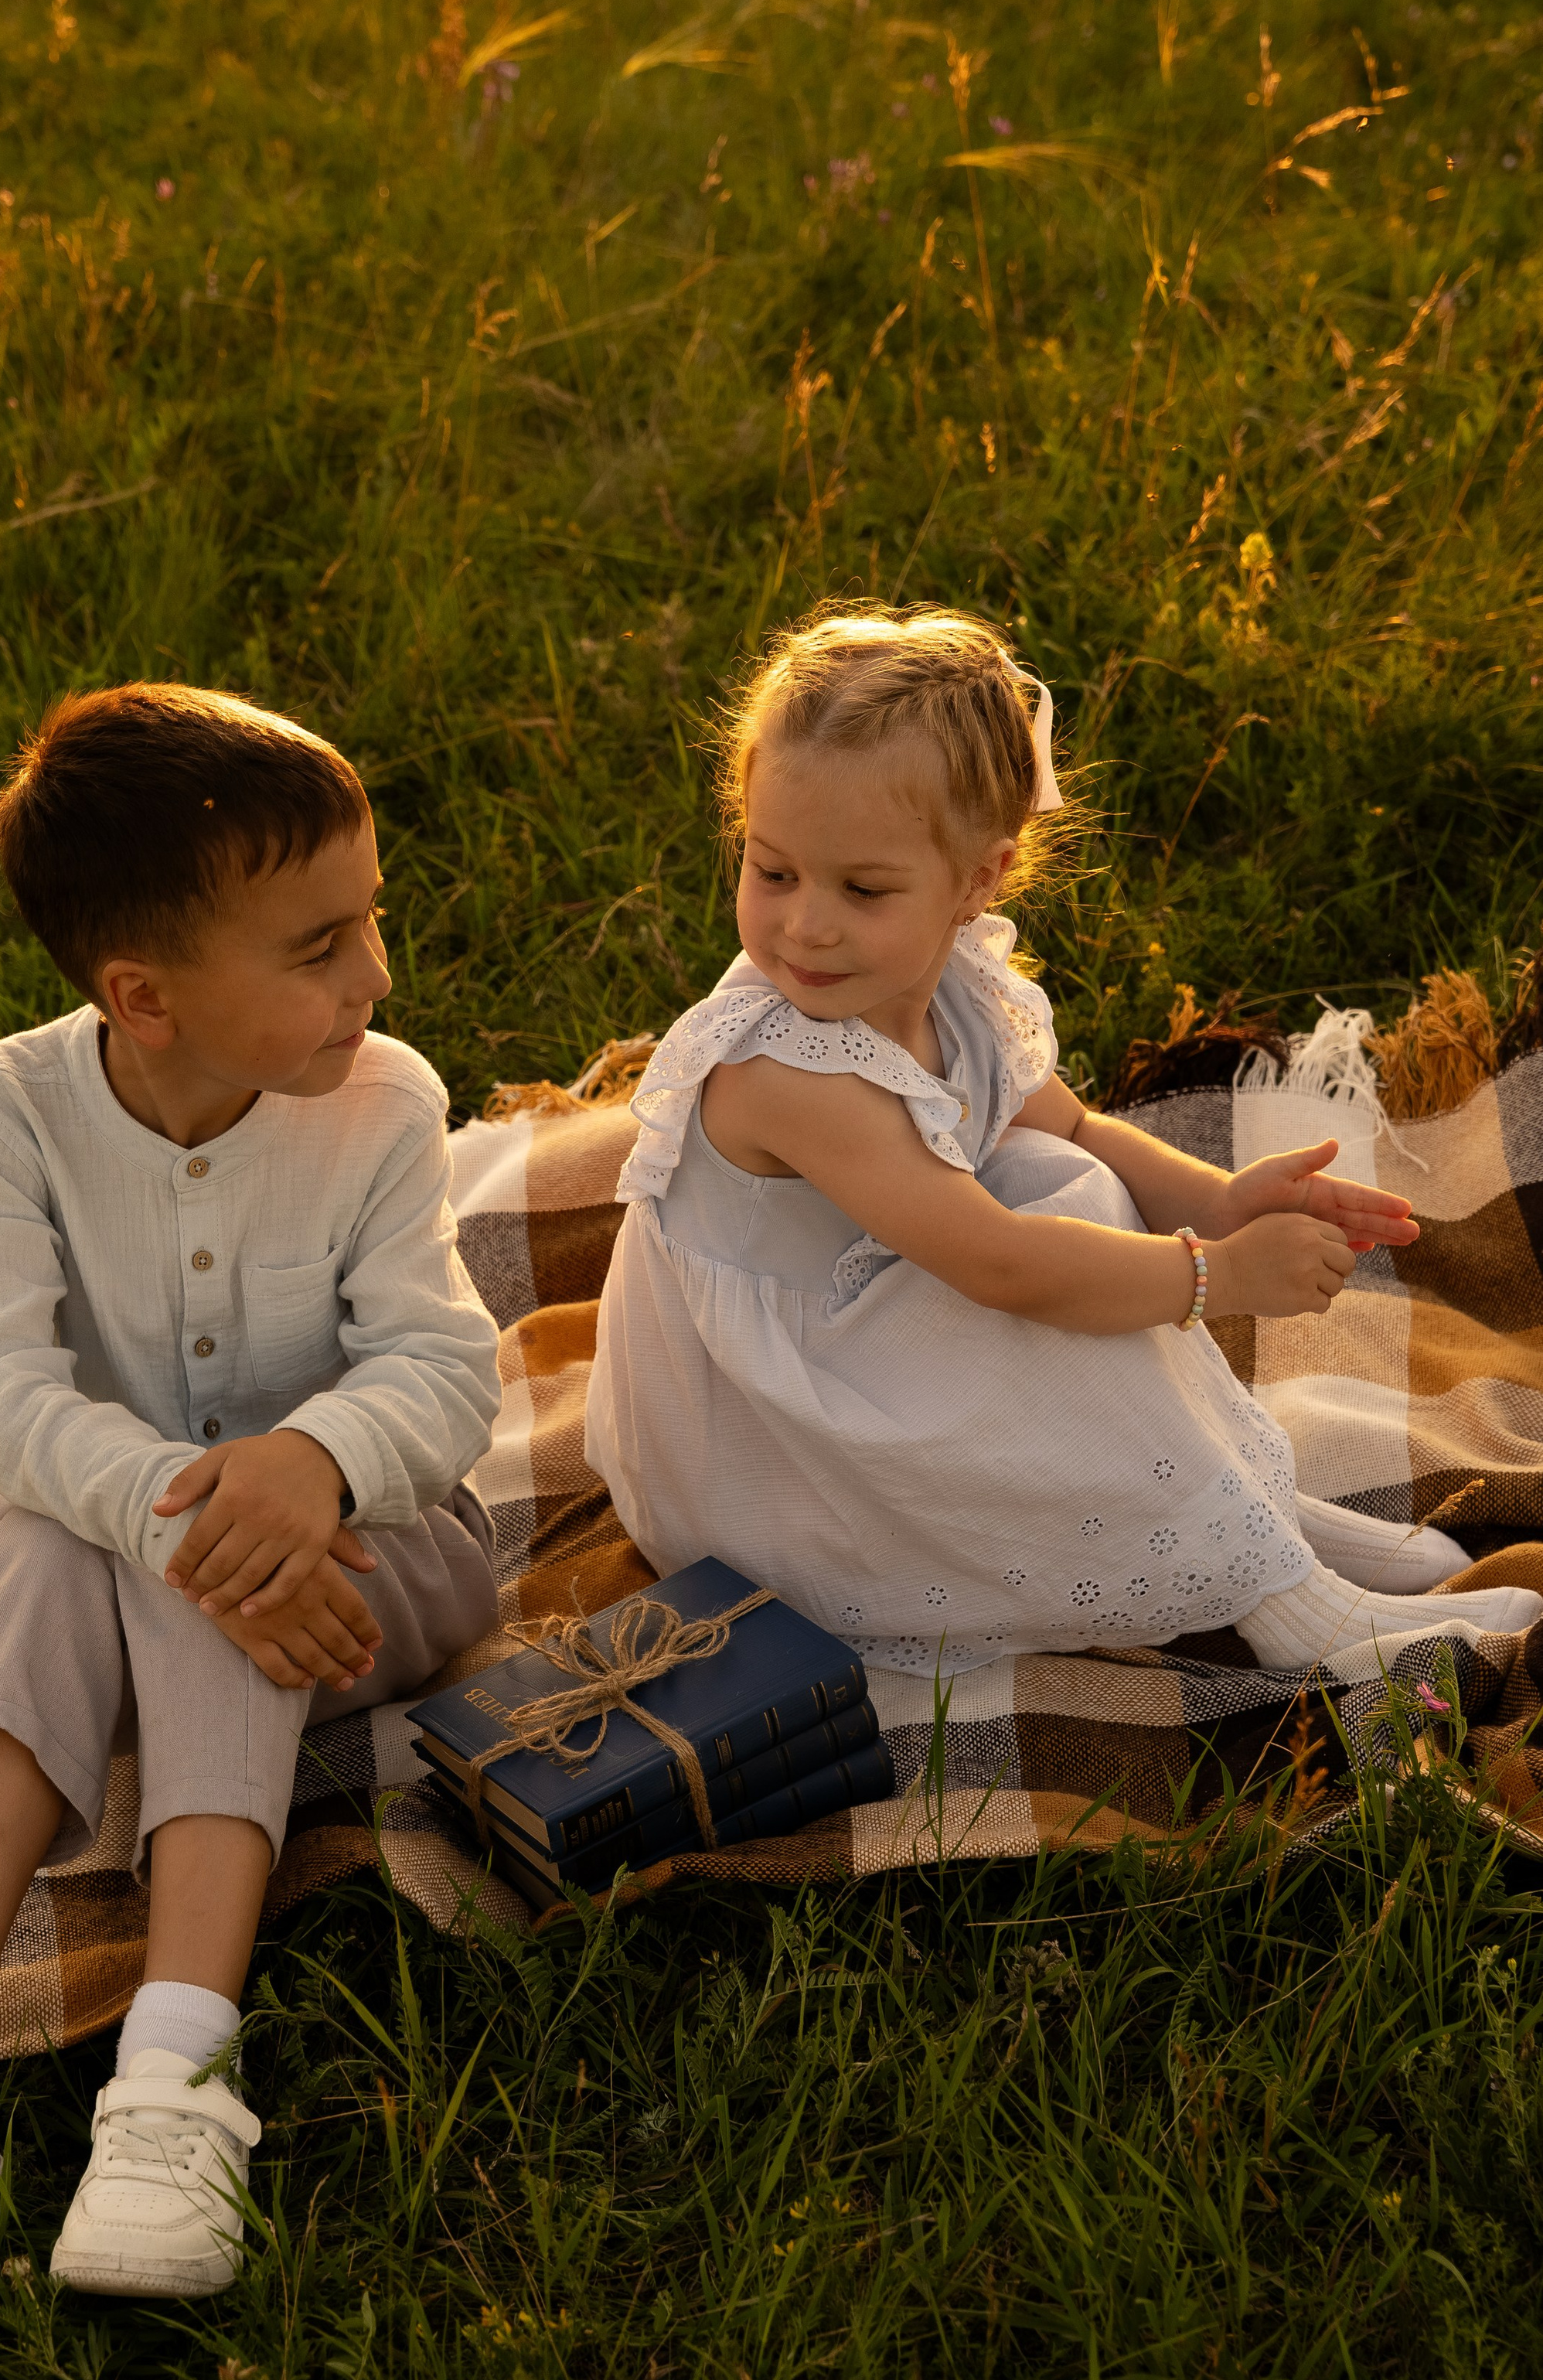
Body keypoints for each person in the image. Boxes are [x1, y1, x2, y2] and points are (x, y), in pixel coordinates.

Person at [0, 685, 502, 2319]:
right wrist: (186, 1506)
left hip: (391, 1557)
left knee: (176, 1552)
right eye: (317, 948)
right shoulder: (5, 1115)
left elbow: (449, 1378)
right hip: (127, 1547)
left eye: (368, 920)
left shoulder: (384, 1102)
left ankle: (175, 2076)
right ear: (140, 995)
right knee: (63, 1533)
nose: (374, 976)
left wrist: (307, 1464)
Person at [587, 604, 1543, 1687]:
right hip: (764, 1445)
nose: (805, 925)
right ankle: (1286, 1608)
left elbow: (1076, 1126)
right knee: (1062, 1262)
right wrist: (1215, 1274)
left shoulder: (954, 988)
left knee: (1071, 1180)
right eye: (772, 871)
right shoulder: (787, 1072)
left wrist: (1223, 1201)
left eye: (861, 889)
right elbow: (998, 1266)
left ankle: (1248, 1529)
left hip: (864, 1319)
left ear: (976, 883)